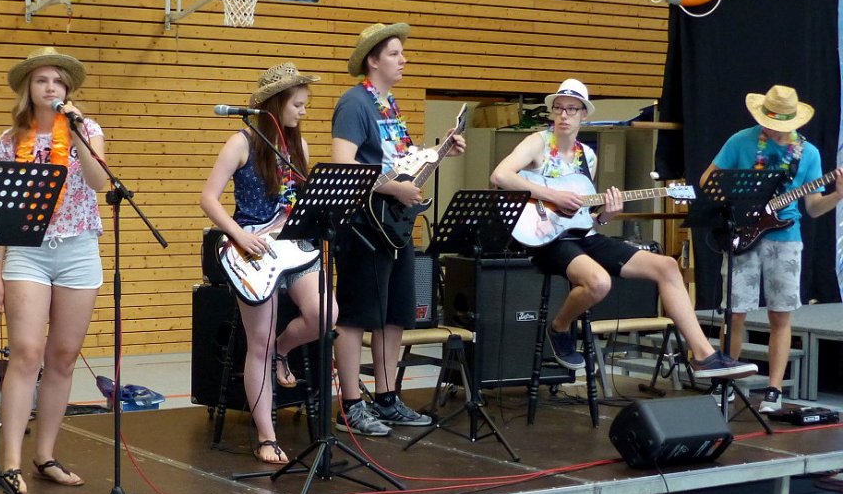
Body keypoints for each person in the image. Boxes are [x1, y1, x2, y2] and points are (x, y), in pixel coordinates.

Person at [490, 78, 759, 386]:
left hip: (582, 236)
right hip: (545, 239)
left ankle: (703, 355)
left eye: (572, 109)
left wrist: (607, 214)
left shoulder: (586, 156)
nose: (564, 115)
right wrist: (552, 195)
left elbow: (584, 215)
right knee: (599, 282)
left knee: (667, 266)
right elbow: (500, 175)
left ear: (583, 114)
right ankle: (560, 327)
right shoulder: (538, 142)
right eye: (559, 108)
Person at [331, 23, 465, 436]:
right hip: (363, 225)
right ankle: (351, 405)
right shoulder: (354, 103)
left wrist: (441, 151)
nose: (403, 59)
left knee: (393, 317)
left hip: (395, 226)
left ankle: (387, 398)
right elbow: (344, 163)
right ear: (373, 60)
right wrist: (393, 188)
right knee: (355, 317)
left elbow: (404, 166)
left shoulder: (390, 107)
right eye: (394, 53)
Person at [200, 62, 335, 464]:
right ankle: (266, 436)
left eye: (305, 104)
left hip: (294, 246)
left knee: (326, 314)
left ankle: (283, 349)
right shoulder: (240, 143)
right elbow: (208, 198)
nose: (303, 111)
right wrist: (238, 234)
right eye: (297, 104)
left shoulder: (300, 147)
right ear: (275, 104)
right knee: (256, 341)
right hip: (252, 248)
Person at [0, 47, 109, 494]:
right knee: (26, 352)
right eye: (42, 80)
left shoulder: (88, 129)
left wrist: (77, 133)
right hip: (27, 250)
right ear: (29, 88)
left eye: (58, 81)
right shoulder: (10, 141)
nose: (50, 87)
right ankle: (10, 462)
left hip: (78, 247)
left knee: (63, 356)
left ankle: (45, 455)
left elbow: (99, 182)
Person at [700, 85, 842, 413]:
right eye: (770, 123)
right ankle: (726, 381)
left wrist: (837, 195)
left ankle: (774, 389)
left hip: (786, 238)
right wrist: (735, 203)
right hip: (742, 232)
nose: (775, 130)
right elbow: (708, 180)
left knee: (781, 313)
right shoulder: (740, 141)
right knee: (735, 312)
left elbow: (814, 208)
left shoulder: (809, 153)